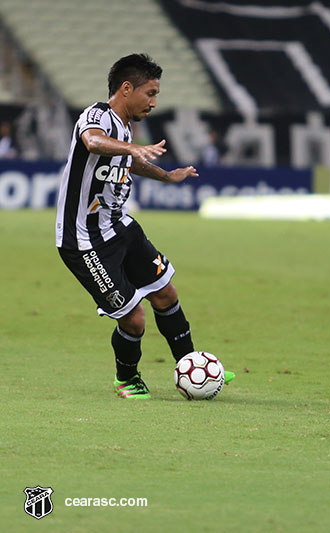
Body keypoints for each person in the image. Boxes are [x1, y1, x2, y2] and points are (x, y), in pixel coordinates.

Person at [55, 53, 234, 399]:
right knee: (134, 318)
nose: (153, 102)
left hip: (119, 226)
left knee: (166, 293)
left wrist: (167, 176)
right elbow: (93, 142)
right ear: (126, 89)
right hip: (84, 240)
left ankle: (192, 365)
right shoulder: (97, 116)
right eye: (150, 93)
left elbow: (128, 159)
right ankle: (127, 379)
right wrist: (134, 149)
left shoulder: (125, 128)